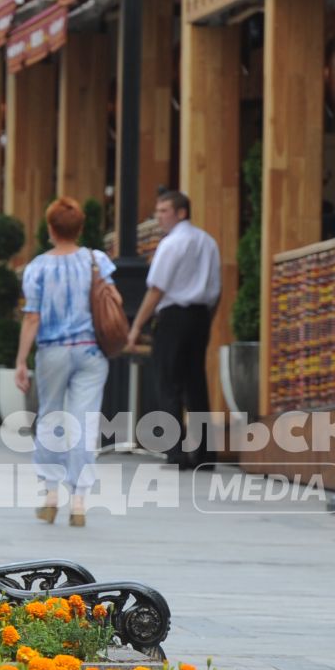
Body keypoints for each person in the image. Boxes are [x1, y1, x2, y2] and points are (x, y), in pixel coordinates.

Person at [15, 197, 115, 529]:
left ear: (50, 229)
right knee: (84, 422)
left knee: (51, 417)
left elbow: (32, 318)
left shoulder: (38, 267)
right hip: (90, 350)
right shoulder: (95, 259)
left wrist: (20, 360)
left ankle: (50, 496)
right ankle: (80, 502)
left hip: (53, 350)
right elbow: (112, 298)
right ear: (80, 228)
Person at [125, 189, 220, 469]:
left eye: (164, 211)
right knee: (196, 384)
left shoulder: (171, 244)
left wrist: (136, 327)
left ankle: (175, 451)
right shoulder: (208, 242)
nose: (159, 217)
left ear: (181, 212)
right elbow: (216, 290)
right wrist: (207, 320)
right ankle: (204, 454)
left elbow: (156, 290)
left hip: (172, 316)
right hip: (200, 316)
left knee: (168, 383)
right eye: (157, 211)